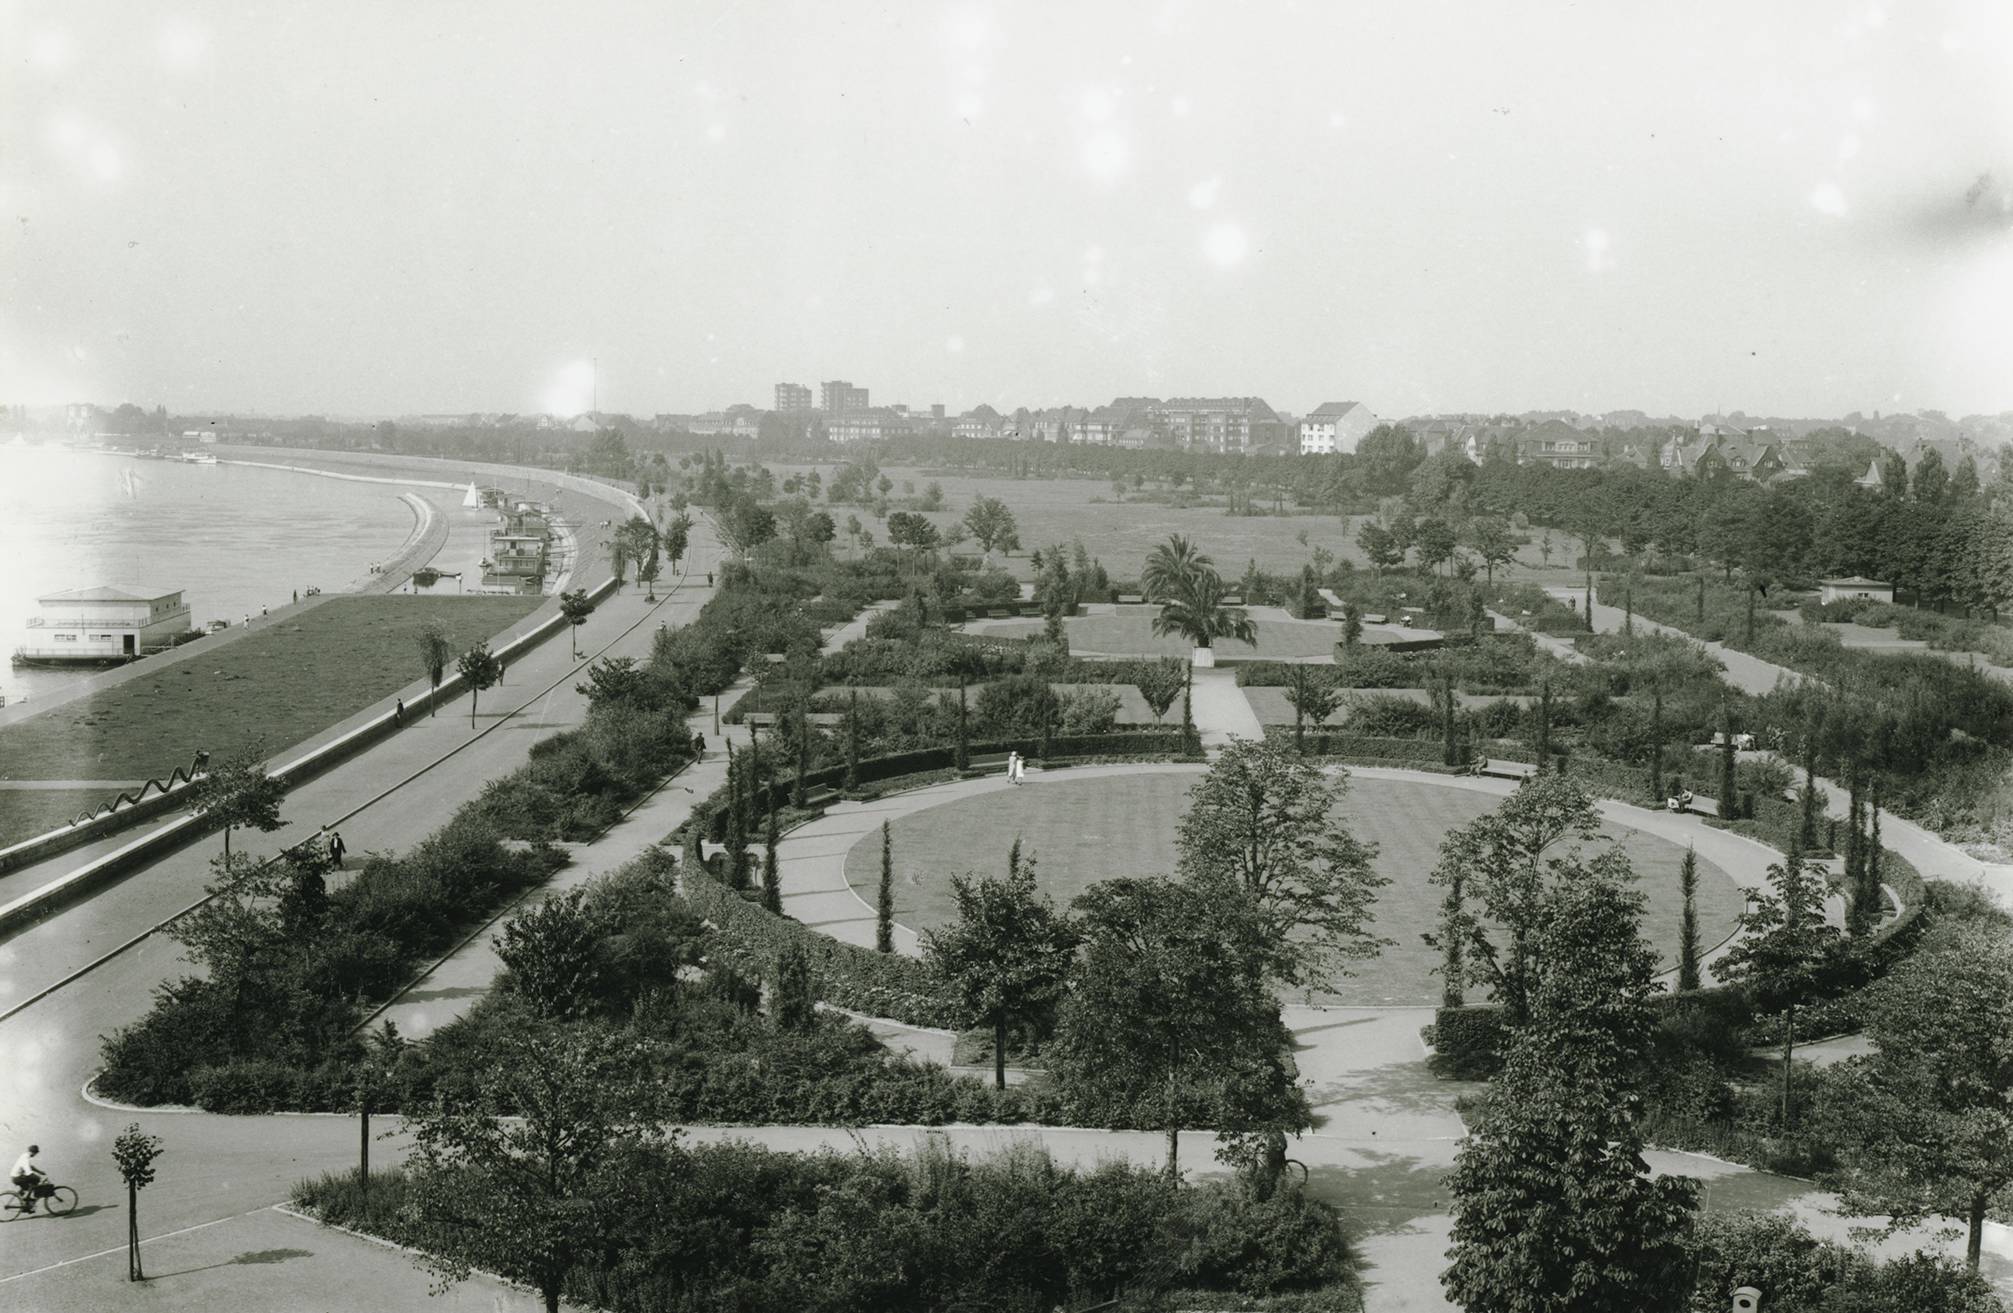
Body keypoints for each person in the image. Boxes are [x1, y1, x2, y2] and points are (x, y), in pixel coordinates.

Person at [11, 1146, 47, 1212]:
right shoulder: (26, 1158)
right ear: (33, 1152)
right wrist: (38, 1177)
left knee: (30, 1185)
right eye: (35, 1153)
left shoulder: (25, 1156)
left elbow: (31, 1167)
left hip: (16, 1176)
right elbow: (28, 1171)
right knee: (36, 1180)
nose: (35, 1155)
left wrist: (40, 1172)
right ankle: (27, 1201)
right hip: (17, 1177)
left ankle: (24, 1201)